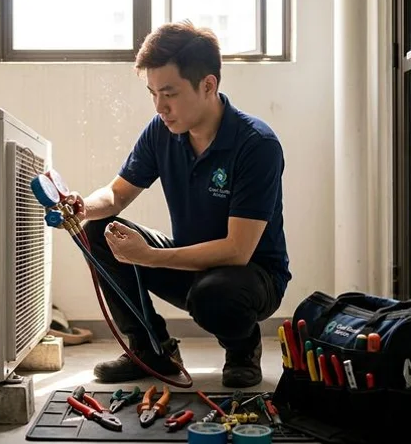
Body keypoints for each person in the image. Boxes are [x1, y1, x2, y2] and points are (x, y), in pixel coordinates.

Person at [66, 21, 291, 388]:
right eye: (153, 93)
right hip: (188, 262)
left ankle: (242, 347)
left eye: (169, 93)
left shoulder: (257, 145)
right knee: (97, 233)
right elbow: (117, 194)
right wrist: (82, 207)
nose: (160, 107)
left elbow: (237, 250)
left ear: (208, 85)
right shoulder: (161, 132)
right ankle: (152, 350)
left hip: (251, 275)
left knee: (216, 294)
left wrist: (148, 256)